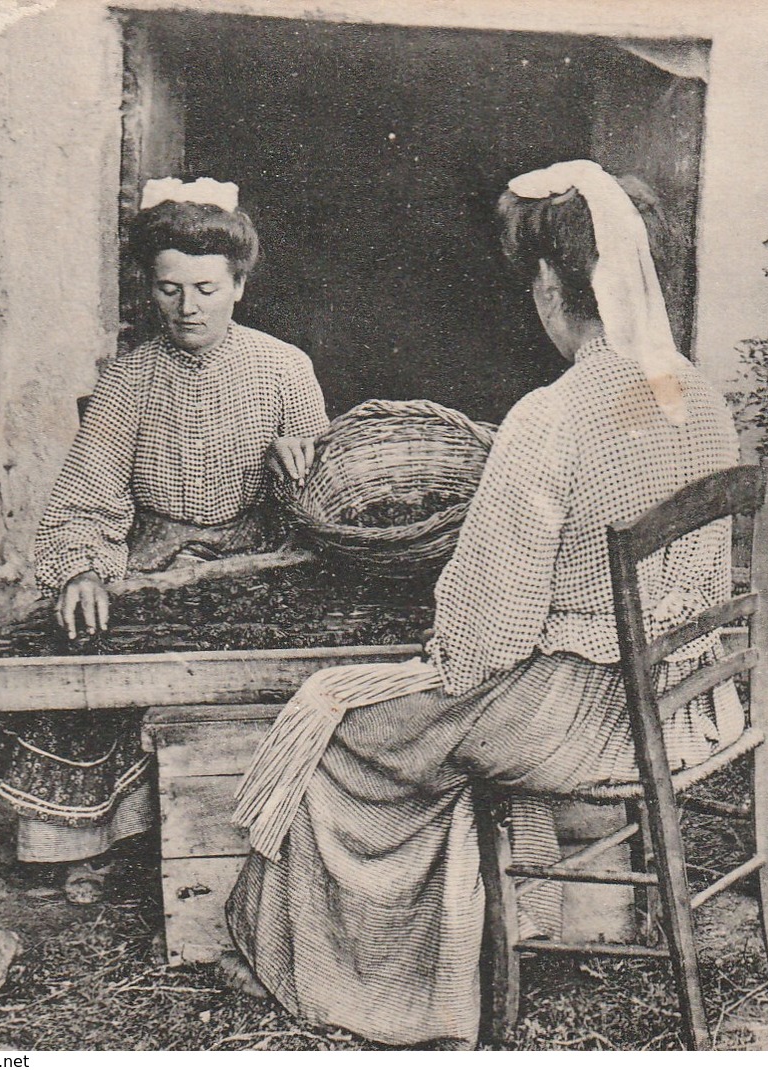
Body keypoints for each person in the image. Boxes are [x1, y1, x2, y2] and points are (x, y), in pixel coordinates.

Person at [225, 160, 741, 1047]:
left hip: (576, 720)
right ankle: (489, 931)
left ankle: (383, 988)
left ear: (547, 283)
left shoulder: (554, 416)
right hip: (689, 702)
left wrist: (433, 660)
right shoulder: (696, 394)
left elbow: (486, 636)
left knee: (334, 724)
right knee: (427, 726)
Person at [0, 178, 328, 904]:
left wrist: (299, 474)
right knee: (87, 641)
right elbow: (88, 490)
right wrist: (82, 570)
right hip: (151, 552)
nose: (187, 307)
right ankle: (90, 839)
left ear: (238, 285)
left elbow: (330, 504)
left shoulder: (285, 368)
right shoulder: (129, 381)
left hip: (255, 556)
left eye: (205, 287)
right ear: (151, 289)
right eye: (169, 289)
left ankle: (244, 837)